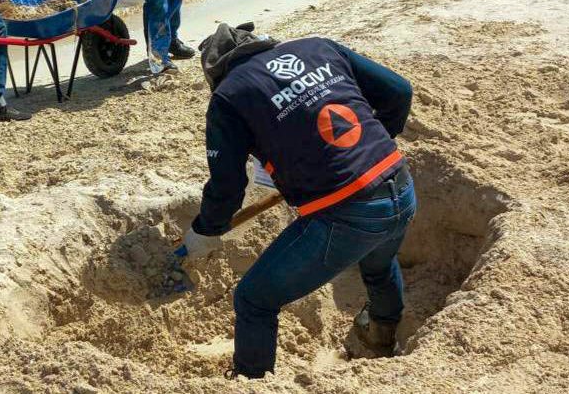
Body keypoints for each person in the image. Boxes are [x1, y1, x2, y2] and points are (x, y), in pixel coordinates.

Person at [178, 23, 416, 378]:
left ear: (215, 72)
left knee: (254, 300)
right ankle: (381, 335)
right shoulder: (318, 47)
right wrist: (374, 143)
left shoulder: (228, 97)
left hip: (347, 215)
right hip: (400, 185)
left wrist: (206, 230)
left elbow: (227, 184)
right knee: (379, 265)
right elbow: (399, 92)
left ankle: (251, 381)